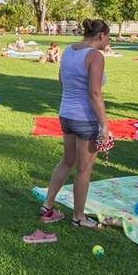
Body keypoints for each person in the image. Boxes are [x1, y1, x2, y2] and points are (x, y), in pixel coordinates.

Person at [39, 19, 114, 229]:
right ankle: (79, 217)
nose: (108, 41)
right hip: (85, 119)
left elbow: (61, 81)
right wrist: (105, 126)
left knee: (66, 161)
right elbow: (94, 93)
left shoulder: (69, 50)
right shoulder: (95, 56)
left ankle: (47, 205)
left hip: (66, 114)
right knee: (84, 169)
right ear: (100, 36)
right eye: (108, 36)